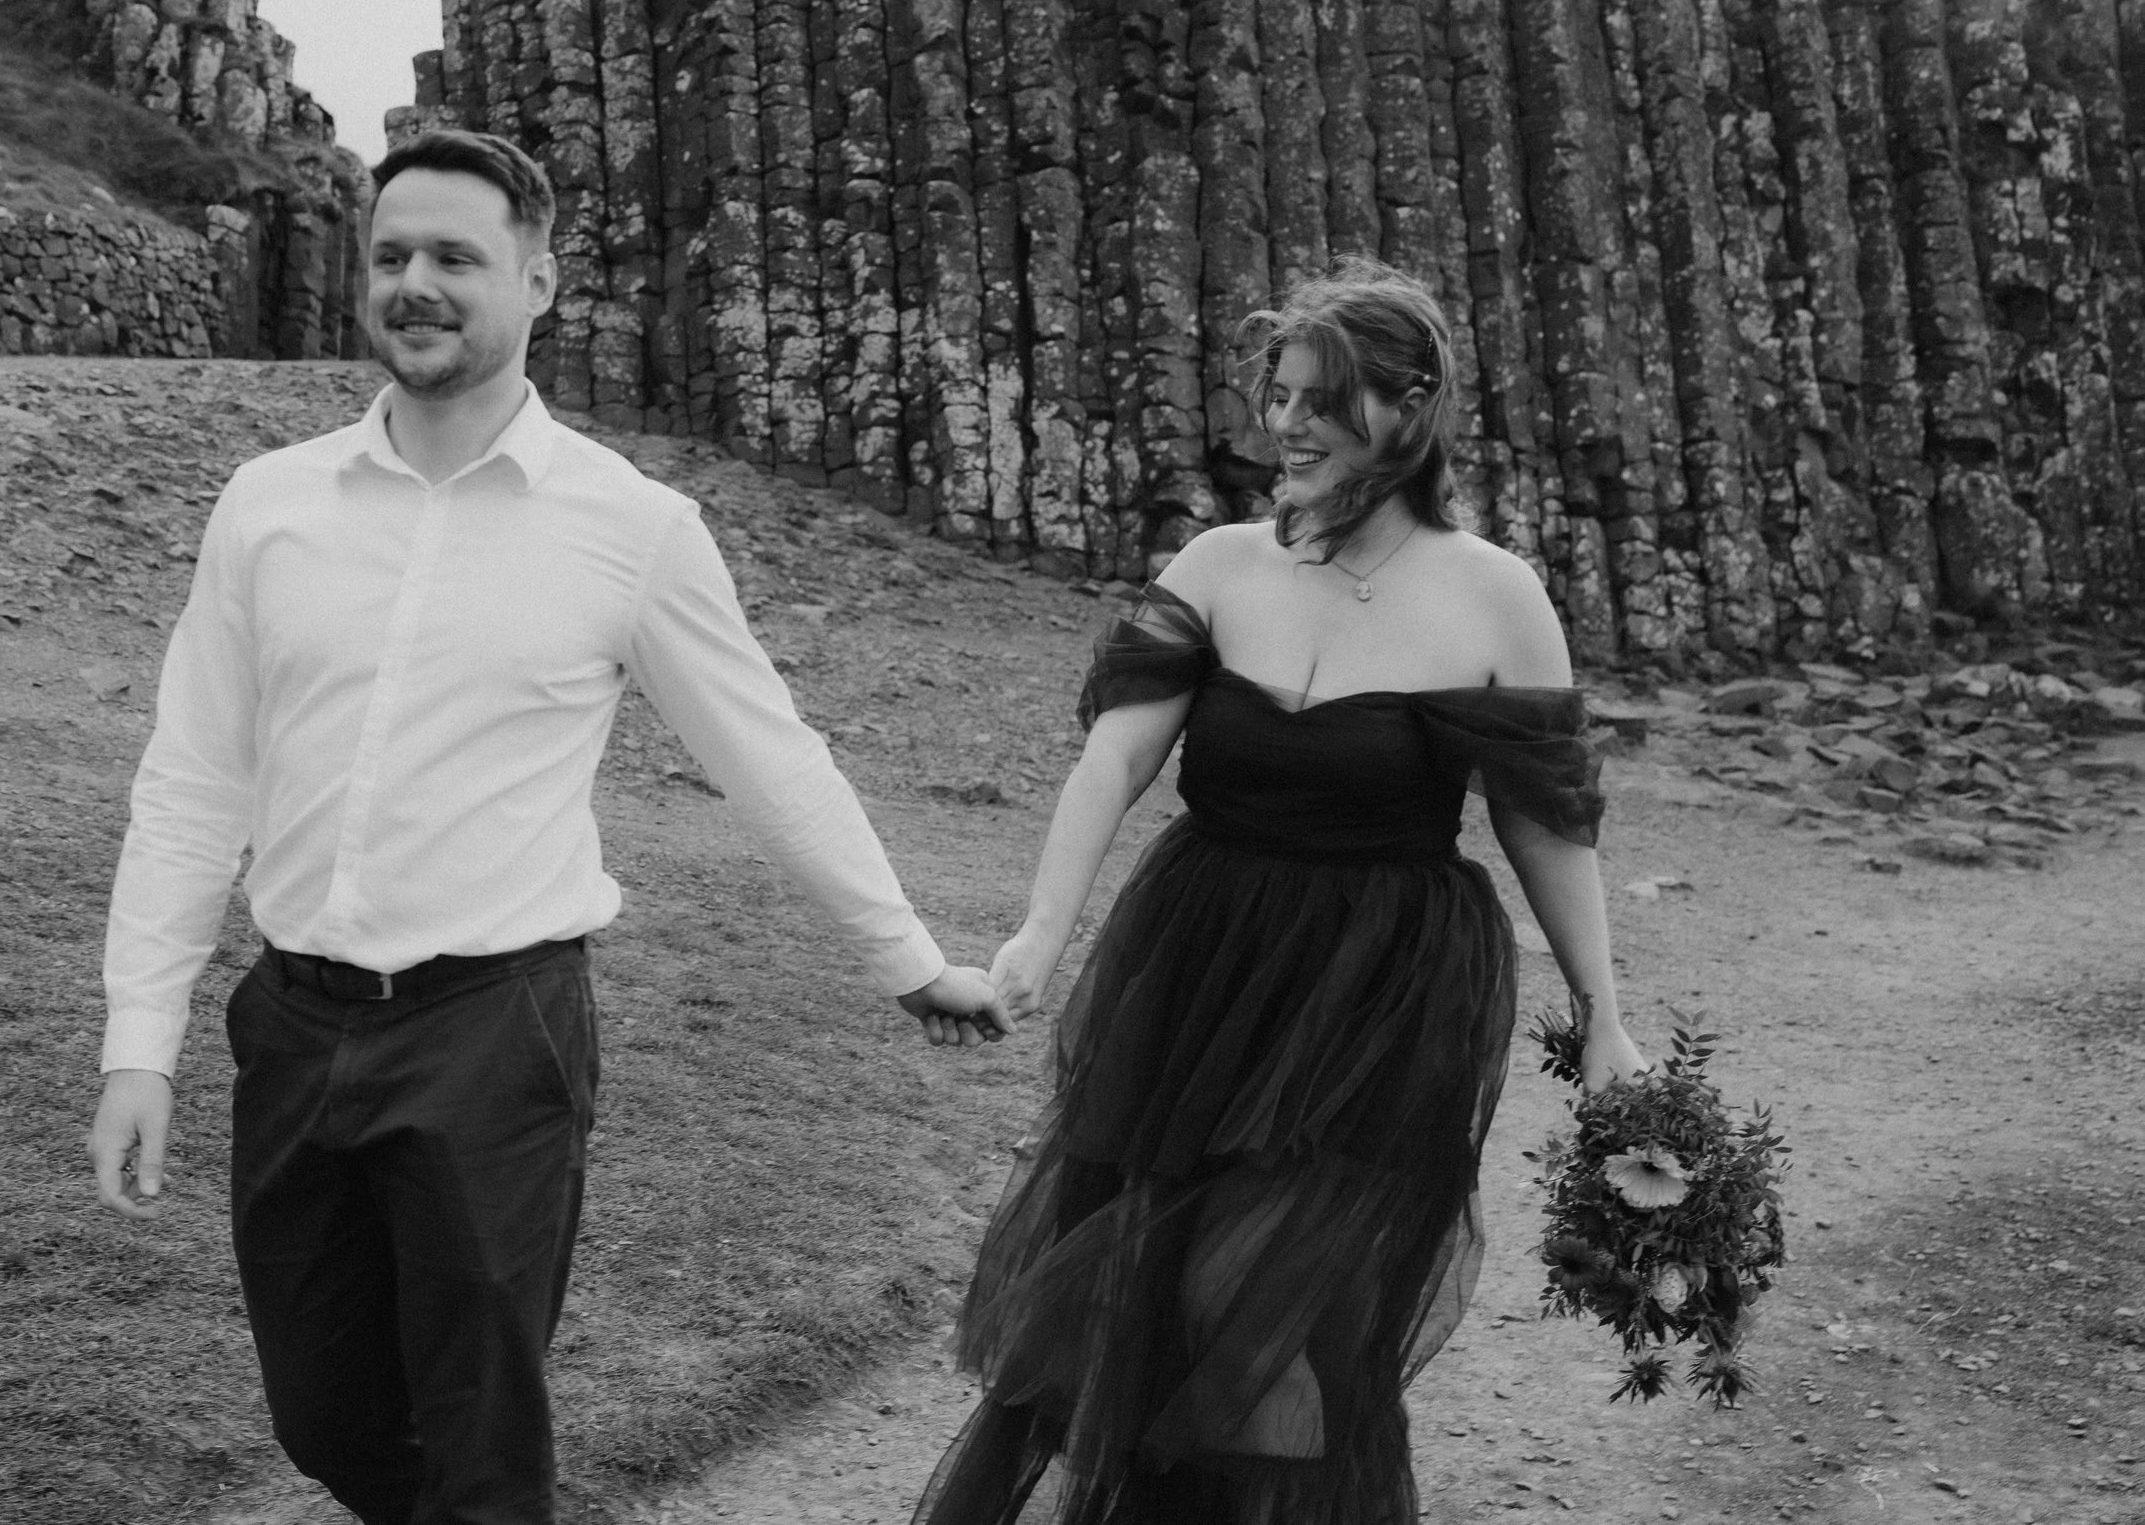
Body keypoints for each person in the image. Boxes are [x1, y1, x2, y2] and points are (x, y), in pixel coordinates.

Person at [83, 129, 1010, 1525]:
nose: (415, 284)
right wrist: (137, 1042)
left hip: (493, 1035)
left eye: (455, 256)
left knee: (477, 1438)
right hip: (292, 1025)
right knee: (324, 1411)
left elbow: (770, 757)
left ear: (540, 280)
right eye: (391, 255)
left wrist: (909, 957)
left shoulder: (632, 526)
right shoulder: (267, 505)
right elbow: (194, 775)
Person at [911, 259, 1647, 1525]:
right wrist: (1037, 935)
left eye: (1322, 401)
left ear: (1408, 414)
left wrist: (1606, 1011)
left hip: (1377, 989)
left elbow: (1541, 819)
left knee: (1263, 1298)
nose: (1286, 428)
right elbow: (1118, 755)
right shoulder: (1219, 564)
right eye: (1281, 396)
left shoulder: (1493, 595)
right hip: (1199, 962)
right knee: (1137, 1290)